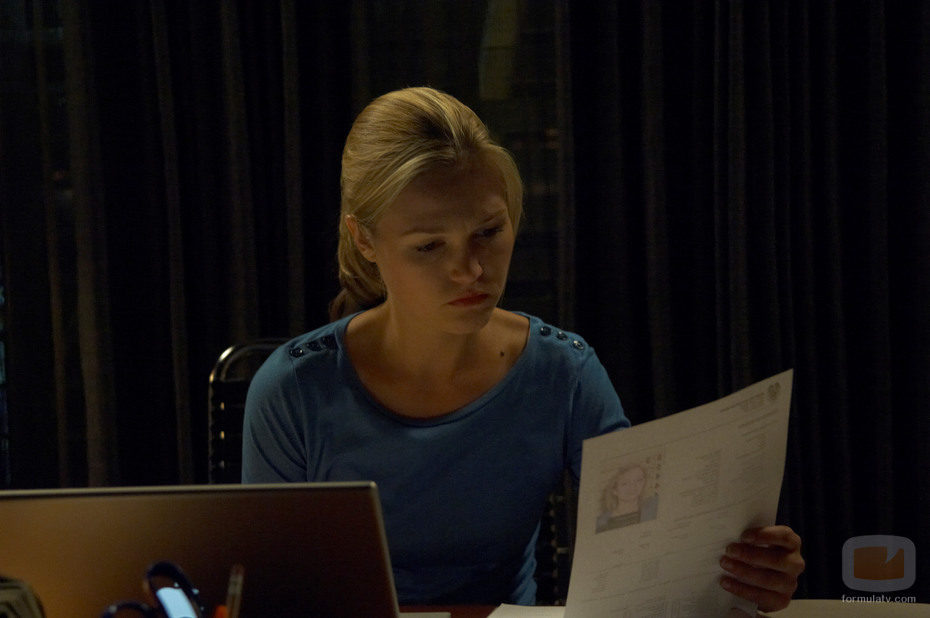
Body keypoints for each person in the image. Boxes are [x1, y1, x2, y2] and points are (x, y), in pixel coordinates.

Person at [241, 86, 804, 610]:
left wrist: (740, 574)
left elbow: (644, 553)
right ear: (365, 240)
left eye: (488, 232)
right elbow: (268, 591)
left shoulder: (563, 372)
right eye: (430, 246)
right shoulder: (294, 390)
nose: (470, 270)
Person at [595, 463, 659, 532]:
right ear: (614, 490)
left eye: (638, 480)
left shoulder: (654, 507)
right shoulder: (601, 523)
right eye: (625, 483)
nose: (633, 487)